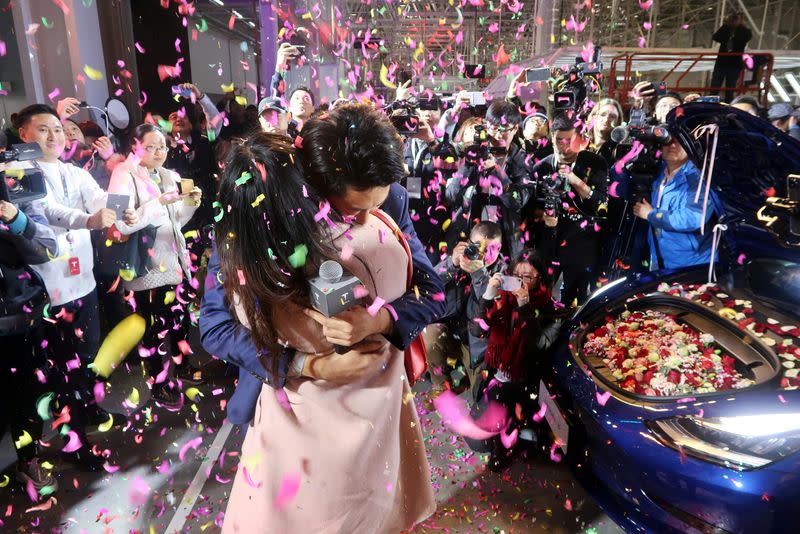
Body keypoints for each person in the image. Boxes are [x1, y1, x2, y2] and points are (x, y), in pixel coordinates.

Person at [209, 121, 437, 531]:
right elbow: (215, 325)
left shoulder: (391, 203)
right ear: (314, 185)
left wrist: (380, 319)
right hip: (295, 415)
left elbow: (436, 290)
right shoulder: (255, 217)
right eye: (353, 209)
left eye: (377, 205)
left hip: (380, 407)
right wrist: (307, 365)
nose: (368, 217)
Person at [11, 104, 135, 470]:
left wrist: (119, 210)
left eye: (58, 130)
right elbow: (47, 212)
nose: (54, 137)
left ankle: (88, 410)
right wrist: (90, 219)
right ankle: (75, 442)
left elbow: (98, 196)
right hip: (49, 289)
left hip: (83, 282)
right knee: (62, 369)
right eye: (44, 130)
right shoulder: (19, 174)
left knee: (86, 356)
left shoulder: (71, 171)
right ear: (24, 135)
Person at [108, 123, 203, 407]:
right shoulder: (122, 174)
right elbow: (117, 222)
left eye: (162, 145)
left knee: (179, 321)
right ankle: (159, 383)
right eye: (151, 146)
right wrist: (159, 202)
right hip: (146, 269)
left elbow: (176, 222)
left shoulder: (167, 174)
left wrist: (190, 205)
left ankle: (182, 366)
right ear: (135, 146)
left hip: (174, 263)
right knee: (152, 330)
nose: (159, 151)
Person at [468, 250, 563, 470]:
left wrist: (525, 307)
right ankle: (500, 434)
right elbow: (476, 330)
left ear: (541, 279)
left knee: (504, 406)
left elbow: (538, 345)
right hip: (494, 373)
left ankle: (508, 445)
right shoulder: (502, 299)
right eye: (516, 275)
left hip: (526, 380)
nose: (520, 281)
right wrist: (488, 296)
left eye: (528, 277)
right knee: (476, 439)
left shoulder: (551, 309)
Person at [0, 197, 58, 494]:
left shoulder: (15, 191)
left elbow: (47, 250)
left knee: (27, 397)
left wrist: (16, 219)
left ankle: (28, 461)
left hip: (21, 319)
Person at [529, 113, 609, 307]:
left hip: (582, 246)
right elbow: (532, 208)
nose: (565, 146)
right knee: (541, 302)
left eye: (570, 140)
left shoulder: (595, 163)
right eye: (559, 140)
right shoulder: (541, 166)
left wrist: (576, 181)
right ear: (551, 137)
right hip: (549, 247)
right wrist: (543, 218)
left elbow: (602, 207)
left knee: (577, 305)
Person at [427, 221, 505, 400]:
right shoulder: (462, 260)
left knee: (480, 395)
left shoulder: (503, 273)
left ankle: (467, 383)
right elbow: (429, 285)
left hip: (479, 348)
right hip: (453, 334)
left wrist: (479, 273)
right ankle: (441, 387)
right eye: (479, 247)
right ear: (469, 243)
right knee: (429, 335)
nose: (484, 254)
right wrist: (451, 263)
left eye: (491, 248)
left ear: (500, 248)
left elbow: (492, 307)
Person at [633, 135, 717, 271]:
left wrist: (651, 215)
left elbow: (694, 218)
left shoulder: (698, 178)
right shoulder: (657, 173)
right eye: (667, 141)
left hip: (694, 266)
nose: (672, 146)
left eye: (679, 142)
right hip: (660, 260)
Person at [711, 12, 752, 103]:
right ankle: (711, 104)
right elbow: (715, 37)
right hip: (722, 63)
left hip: (734, 64)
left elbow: (746, 37)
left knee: (730, 89)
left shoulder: (744, 31)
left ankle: (728, 105)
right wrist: (727, 26)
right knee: (714, 88)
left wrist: (739, 27)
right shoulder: (726, 29)